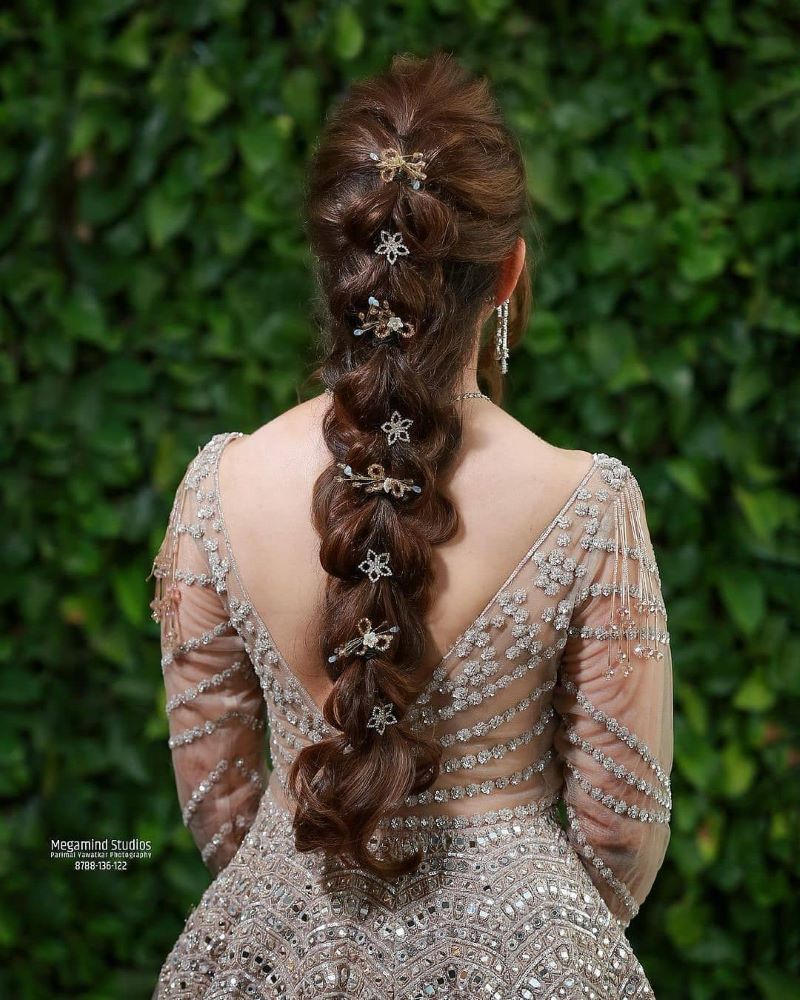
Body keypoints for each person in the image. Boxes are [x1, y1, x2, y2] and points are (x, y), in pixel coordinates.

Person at [149, 51, 673, 1000]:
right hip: (528, 966)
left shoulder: (215, 489)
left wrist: (292, 913)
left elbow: (217, 799)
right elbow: (620, 826)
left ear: (336, 265)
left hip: (270, 957)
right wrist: (532, 925)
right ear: (508, 272)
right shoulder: (587, 503)